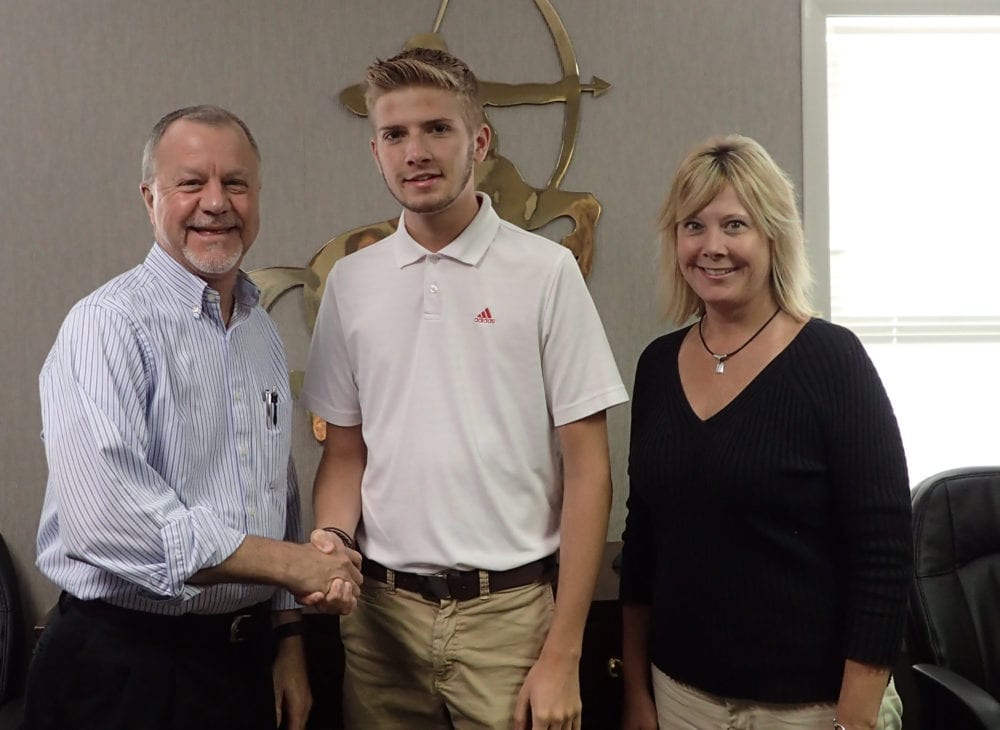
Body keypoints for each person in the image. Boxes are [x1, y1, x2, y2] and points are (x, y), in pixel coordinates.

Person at [300, 48, 628, 730]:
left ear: (478, 140)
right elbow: (344, 452)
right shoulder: (352, 284)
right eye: (396, 135)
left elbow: (590, 473)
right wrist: (331, 537)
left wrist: (564, 653)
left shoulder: (545, 273)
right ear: (376, 150)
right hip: (381, 621)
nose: (415, 151)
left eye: (436, 129)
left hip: (510, 621)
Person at [21, 105, 362, 730]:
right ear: (149, 197)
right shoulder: (108, 325)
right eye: (191, 183)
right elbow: (106, 521)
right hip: (123, 670)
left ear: (257, 197)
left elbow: (273, 493)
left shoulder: (260, 328)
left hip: (240, 663)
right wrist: (290, 564)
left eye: (235, 183)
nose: (216, 202)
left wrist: (287, 639)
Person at [619, 135, 912, 730]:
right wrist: (637, 694)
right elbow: (643, 541)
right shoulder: (656, 365)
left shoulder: (833, 360)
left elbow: (883, 552)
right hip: (681, 698)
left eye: (735, 225)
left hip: (810, 708)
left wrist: (855, 715)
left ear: (773, 237)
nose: (712, 247)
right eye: (693, 225)